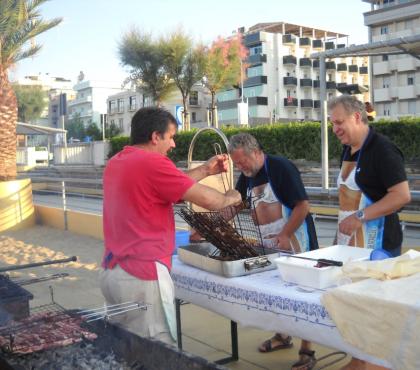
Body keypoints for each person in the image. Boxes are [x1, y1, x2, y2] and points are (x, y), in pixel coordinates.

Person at [100, 107, 242, 345]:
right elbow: (210, 200)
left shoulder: (118, 161)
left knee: (124, 348)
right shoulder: (152, 163)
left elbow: (171, 185)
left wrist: (207, 170)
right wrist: (232, 197)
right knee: (155, 350)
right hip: (142, 278)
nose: (174, 144)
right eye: (171, 136)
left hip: (112, 273)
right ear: (156, 136)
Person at [329, 95, 411, 370]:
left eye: (339, 122)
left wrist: (360, 216)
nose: (335, 128)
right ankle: (358, 360)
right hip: (351, 245)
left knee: (377, 311)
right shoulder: (348, 150)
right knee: (355, 307)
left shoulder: (382, 149)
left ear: (356, 116)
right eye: (332, 124)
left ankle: (378, 364)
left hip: (379, 248)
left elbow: (401, 196)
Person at [228, 133, 319, 370]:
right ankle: (282, 336)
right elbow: (237, 204)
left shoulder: (280, 167)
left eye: (242, 162)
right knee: (276, 292)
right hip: (267, 243)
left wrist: (286, 234)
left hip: (294, 239)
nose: (240, 167)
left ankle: (307, 350)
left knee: (301, 294)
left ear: (256, 152)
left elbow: (303, 205)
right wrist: (216, 221)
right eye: (236, 163)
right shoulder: (247, 176)